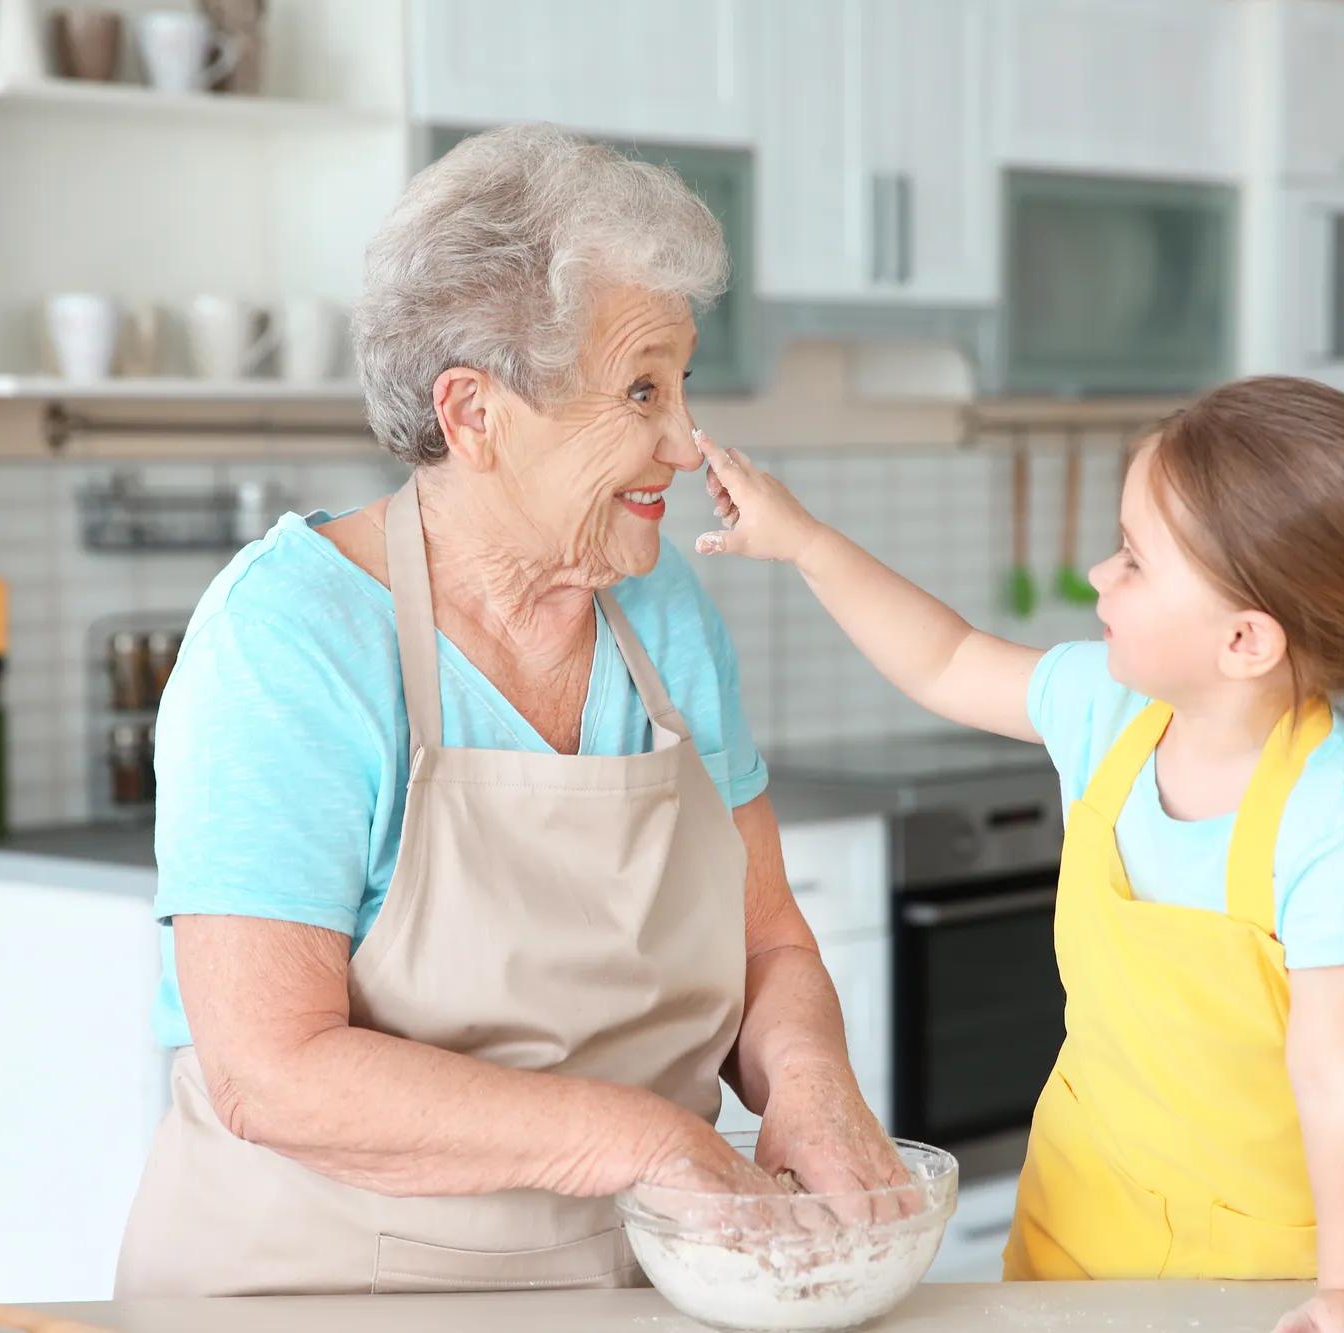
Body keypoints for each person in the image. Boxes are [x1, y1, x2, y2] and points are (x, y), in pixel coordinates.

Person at [114, 124, 902, 1299]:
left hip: (632, 1276)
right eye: (641, 389)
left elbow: (766, 940)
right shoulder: (288, 640)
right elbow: (270, 1072)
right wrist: (647, 1140)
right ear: (473, 414)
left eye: (681, 385)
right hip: (319, 1292)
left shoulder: (663, 609)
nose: (686, 443)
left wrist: (811, 1084)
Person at [692, 375, 1344, 1333]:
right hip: (1076, 1221)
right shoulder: (1109, 713)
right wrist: (806, 541)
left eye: (1135, 562)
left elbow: (1341, 1088)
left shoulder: (1330, 825)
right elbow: (943, 659)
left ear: (1244, 639)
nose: (1100, 577)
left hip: (1259, 1270)